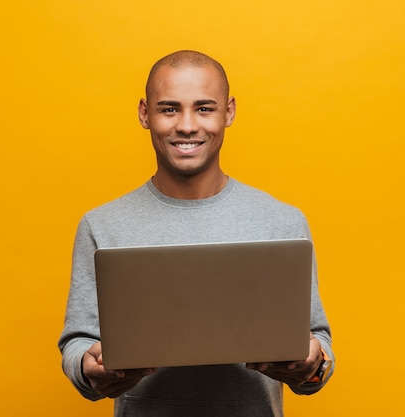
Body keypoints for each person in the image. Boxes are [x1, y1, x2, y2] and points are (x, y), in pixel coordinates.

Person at [58, 50, 334, 417]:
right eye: (169, 109)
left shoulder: (282, 221)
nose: (187, 125)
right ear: (145, 113)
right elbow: (79, 340)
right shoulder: (102, 224)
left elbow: (318, 347)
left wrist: (313, 366)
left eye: (204, 108)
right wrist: (86, 367)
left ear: (229, 112)